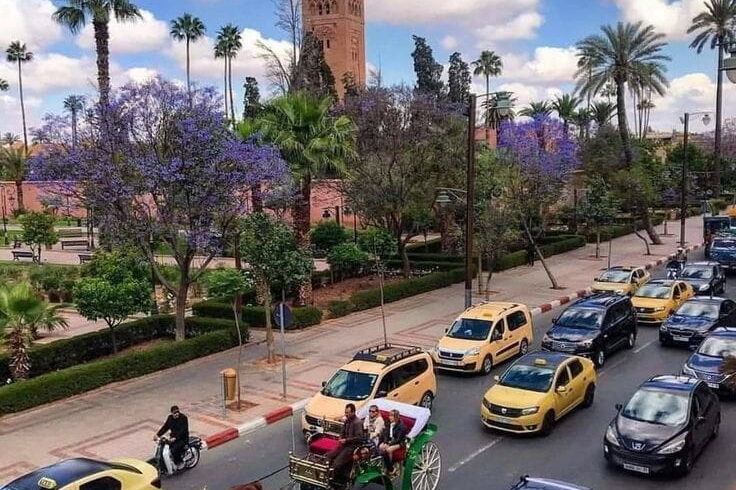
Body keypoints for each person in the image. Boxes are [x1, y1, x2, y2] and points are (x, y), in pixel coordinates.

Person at [325, 403, 364, 482]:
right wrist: (341, 437)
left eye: (347, 413)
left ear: (353, 412)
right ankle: (324, 473)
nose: (346, 414)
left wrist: (346, 440)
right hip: (343, 445)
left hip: (351, 447)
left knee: (336, 464)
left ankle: (330, 480)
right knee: (328, 456)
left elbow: (359, 438)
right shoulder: (347, 420)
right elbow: (342, 431)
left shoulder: (358, 423)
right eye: (345, 412)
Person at [378, 409, 407, 476]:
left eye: (391, 416)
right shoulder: (388, 423)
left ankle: (390, 467)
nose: (389, 417)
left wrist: (388, 444)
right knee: (381, 446)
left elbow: (398, 439)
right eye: (389, 416)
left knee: (389, 449)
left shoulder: (402, 427)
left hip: (399, 443)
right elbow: (386, 434)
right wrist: (385, 442)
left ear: (396, 417)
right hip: (389, 441)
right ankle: (383, 464)